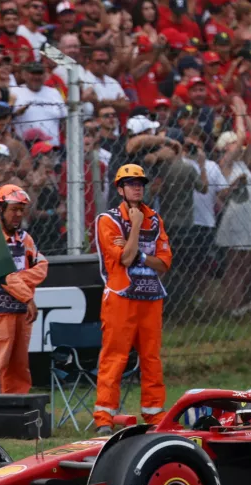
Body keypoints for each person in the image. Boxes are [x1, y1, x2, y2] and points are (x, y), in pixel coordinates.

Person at [93, 164, 172, 435]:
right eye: (130, 183)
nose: (137, 187)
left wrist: (140, 256)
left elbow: (163, 263)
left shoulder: (156, 218)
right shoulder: (108, 219)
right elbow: (124, 258)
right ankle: (104, 416)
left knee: (151, 357)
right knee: (114, 357)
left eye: (140, 182)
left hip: (151, 297)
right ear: (120, 189)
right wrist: (136, 226)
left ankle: (154, 413)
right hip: (120, 298)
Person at [0, 184, 49, 395]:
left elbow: (42, 266)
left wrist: (18, 280)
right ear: (0, 209)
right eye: (13, 209)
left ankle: (18, 413)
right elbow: (0, 274)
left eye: (21, 209)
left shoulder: (25, 238)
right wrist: (26, 296)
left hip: (20, 313)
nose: (18, 214)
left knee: (20, 368)